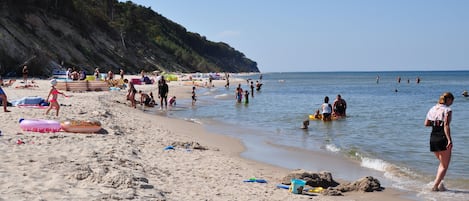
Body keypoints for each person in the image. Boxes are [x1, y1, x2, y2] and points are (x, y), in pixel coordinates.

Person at [424, 92, 454, 192]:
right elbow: (446, 125)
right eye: (452, 101)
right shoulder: (447, 110)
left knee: (442, 163)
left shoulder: (432, 108)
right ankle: (435, 186)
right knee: (444, 165)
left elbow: (426, 124)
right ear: (449, 99)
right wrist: (449, 140)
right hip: (442, 138)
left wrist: (436, 123)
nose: (452, 103)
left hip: (433, 138)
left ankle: (440, 184)